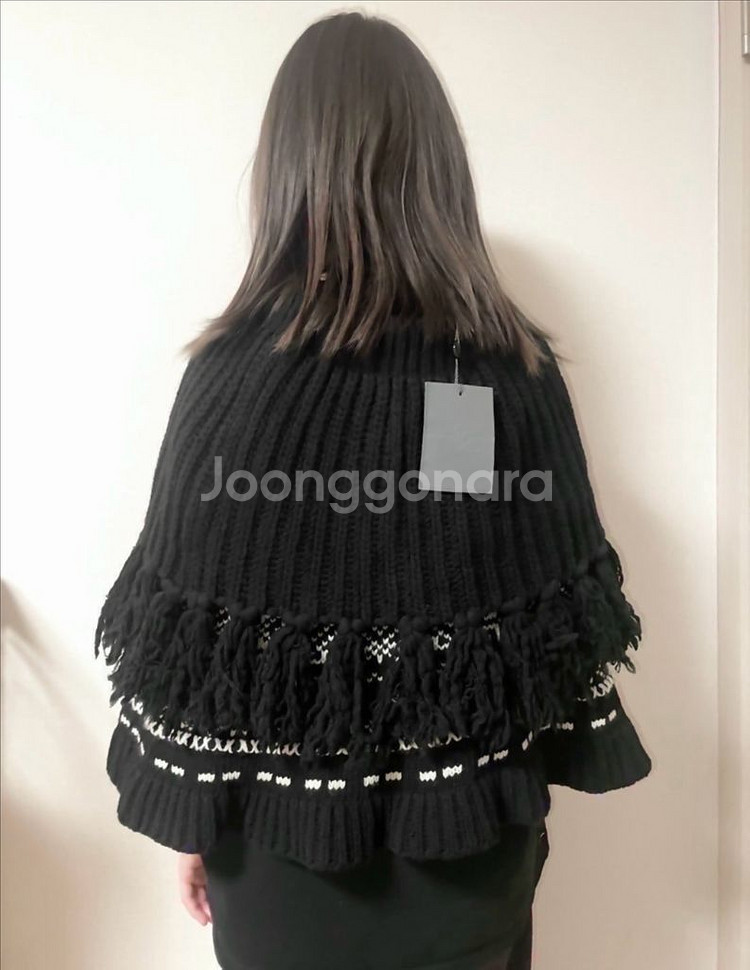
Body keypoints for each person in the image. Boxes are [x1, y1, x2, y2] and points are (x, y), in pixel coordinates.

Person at [95, 11, 651, 970]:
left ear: (288, 172)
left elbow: (196, 654)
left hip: (276, 869)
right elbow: (528, 641)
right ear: (437, 170)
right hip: (466, 862)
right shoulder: (493, 376)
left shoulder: (229, 380)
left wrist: (194, 820)